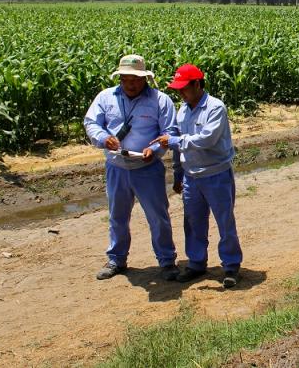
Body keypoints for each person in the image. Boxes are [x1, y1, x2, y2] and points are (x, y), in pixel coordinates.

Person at [84, 54, 179, 281]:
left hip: (148, 168)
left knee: (158, 216)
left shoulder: (160, 100)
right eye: (126, 79)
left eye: (136, 79)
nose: (131, 84)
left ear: (145, 78)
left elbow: (170, 132)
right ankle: (117, 259)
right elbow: (91, 122)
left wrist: (154, 151)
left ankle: (167, 261)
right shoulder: (106, 97)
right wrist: (103, 138)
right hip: (116, 166)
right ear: (120, 78)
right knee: (117, 216)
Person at [150, 64, 243, 287]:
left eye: (184, 88)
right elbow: (177, 144)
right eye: (178, 89)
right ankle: (196, 263)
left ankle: (230, 266)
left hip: (216, 174)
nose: (181, 93)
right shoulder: (183, 110)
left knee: (224, 221)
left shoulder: (215, 108)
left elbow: (206, 139)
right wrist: (178, 173)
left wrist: (174, 141)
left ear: (198, 84)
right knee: (192, 223)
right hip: (192, 176)